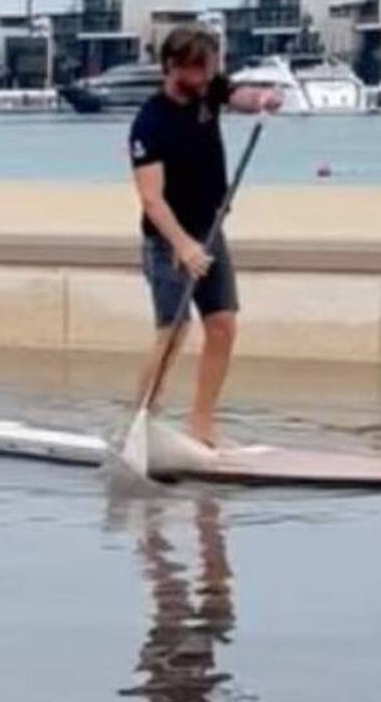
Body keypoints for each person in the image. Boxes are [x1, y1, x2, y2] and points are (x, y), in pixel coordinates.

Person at [124, 26, 278, 449]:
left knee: (223, 325)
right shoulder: (149, 124)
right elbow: (152, 200)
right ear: (174, 68)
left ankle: (203, 425)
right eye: (200, 70)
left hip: (209, 231)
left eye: (211, 69)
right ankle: (140, 421)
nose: (208, 78)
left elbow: (239, 97)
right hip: (166, 240)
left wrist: (262, 99)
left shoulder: (207, 91)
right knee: (173, 332)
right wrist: (183, 246)